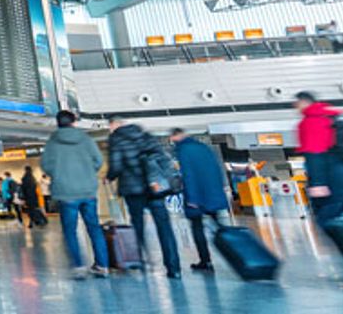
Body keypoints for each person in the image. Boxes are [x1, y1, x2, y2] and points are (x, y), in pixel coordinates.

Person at [107, 117, 181, 279]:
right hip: (154, 188)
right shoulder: (146, 136)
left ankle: (140, 261)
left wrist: (110, 177)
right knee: (164, 227)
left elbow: (116, 165)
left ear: (114, 125)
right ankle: (173, 267)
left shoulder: (116, 139)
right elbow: (162, 158)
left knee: (138, 226)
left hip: (133, 189)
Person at [42, 110, 110, 279]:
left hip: (66, 193)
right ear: (74, 122)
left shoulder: (52, 142)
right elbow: (98, 161)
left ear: (58, 123)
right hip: (88, 191)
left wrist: (59, 175)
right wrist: (87, 173)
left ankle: (78, 266)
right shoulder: (86, 139)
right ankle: (102, 266)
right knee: (94, 228)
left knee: (70, 231)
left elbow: (46, 165)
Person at [170, 129, 230, 272]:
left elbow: (188, 174)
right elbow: (217, 169)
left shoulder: (183, 150)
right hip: (212, 193)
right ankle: (235, 252)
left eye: (172, 137)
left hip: (197, 195)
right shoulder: (203, 147)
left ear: (176, 136)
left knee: (197, 228)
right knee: (218, 226)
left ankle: (205, 260)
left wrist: (192, 198)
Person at [295, 92, 343, 228]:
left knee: (327, 219)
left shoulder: (310, 121)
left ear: (304, 102)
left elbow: (314, 152)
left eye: (297, 103)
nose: (296, 106)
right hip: (338, 171)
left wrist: (317, 182)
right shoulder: (331, 117)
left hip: (329, 175)